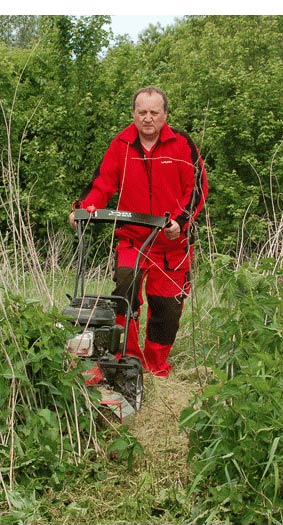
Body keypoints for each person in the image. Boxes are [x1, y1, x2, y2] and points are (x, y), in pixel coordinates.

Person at [71, 86, 208, 378]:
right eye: (142, 112)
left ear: (164, 115)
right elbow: (102, 183)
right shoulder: (121, 144)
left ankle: (156, 368)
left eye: (154, 113)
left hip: (172, 245)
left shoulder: (182, 144)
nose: (148, 118)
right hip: (132, 239)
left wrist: (180, 223)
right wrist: (83, 209)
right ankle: (128, 360)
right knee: (125, 292)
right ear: (134, 114)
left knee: (167, 309)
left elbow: (195, 190)